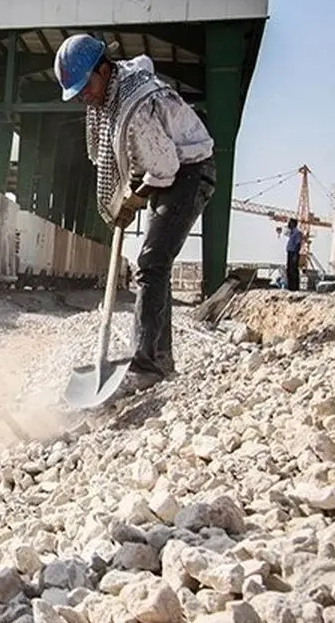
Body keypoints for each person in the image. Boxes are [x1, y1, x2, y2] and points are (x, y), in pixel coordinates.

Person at [54, 33, 217, 394]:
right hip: (172, 170)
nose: (84, 96)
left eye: (86, 86)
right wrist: (132, 193)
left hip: (190, 172)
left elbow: (166, 168)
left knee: (151, 262)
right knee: (155, 264)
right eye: (77, 91)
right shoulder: (115, 91)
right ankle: (160, 359)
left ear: (104, 69)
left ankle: (145, 365)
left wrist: (134, 199)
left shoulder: (135, 109)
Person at [285, 218, 303, 290]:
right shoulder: (292, 233)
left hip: (294, 253)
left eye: (290, 222)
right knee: (289, 270)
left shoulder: (297, 232)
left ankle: (294, 287)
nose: (288, 224)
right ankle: (290, 286)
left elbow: (298, 244)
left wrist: (295, 255)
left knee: (293, 270)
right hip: (290, 253)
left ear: (293, 224)